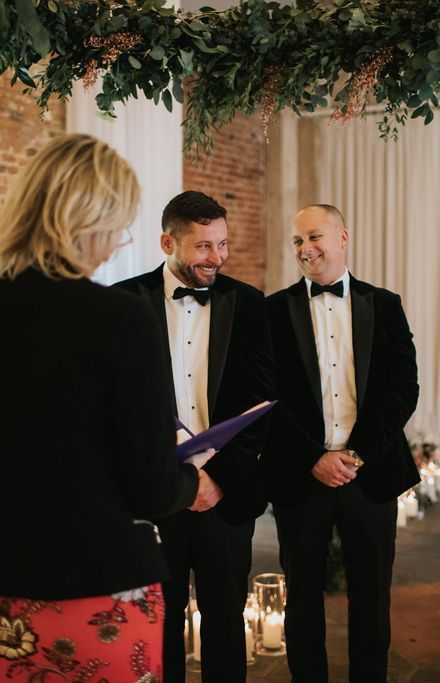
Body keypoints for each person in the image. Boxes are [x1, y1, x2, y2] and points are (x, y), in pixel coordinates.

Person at [0, 133, 214, 680]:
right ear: (86, 218)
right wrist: (190, 479)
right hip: (98, 591)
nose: (120, 241)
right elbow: (151, 485)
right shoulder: (119, 318)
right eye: (118, 222)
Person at [114, 190, 274, 683]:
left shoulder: (248, 304)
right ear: (168, 242)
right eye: (204, 246)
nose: (218, 258)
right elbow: (114, 405)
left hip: (225, 493)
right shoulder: (123, 302)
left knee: (226, 625)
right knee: (156, 626)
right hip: (154, 493)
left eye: (223, 244)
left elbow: (263, 402)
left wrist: (218, 479)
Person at [261, 204, 420, 682]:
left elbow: (404, 389)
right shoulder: (272, 310)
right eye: (296, 241)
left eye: (314, 237)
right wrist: (314, 457)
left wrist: (353, 455)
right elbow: (266, 396)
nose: (305, 249)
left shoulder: (385, 304)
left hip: (369, 475)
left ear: (343, 237)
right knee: (302, 601)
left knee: (372, 601)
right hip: (301, 476)